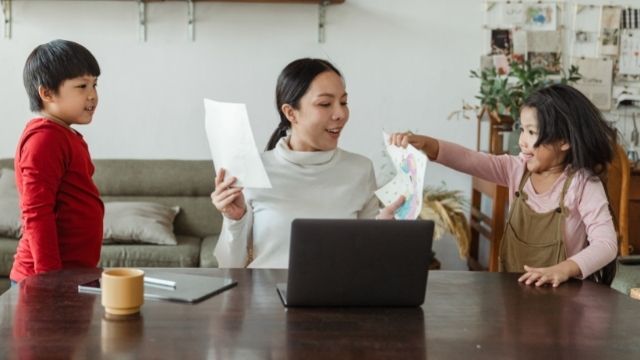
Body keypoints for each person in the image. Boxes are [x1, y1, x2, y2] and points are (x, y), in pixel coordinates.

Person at [391, 84, 618, 287]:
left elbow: (606, 244)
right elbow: (470, 159)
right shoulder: (516, 170)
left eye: (532, 132)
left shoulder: (583, 184)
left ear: (564, 141)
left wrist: (563, 270)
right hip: (514, 294)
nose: (522, 141)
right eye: (522, 130)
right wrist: (428, 144)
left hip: (566, 302)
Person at [212, 58, 403, 268]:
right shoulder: (252, 170)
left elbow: (368, 261)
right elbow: (230, 267)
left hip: (337, 296)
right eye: (325, 104)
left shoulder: (360, 169)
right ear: (290, 112)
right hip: (265, 296)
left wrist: (386, 232)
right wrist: (234, 220)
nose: (340, 114)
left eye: (344, 102)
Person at [9, 40, 104, 284]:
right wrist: (49, 279)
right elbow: (36, 212)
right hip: (46, 279)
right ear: (47, 93)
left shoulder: (63, 135)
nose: (92, 95)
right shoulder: (44, 139)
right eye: (82, 86)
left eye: (94, 84)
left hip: (72, 274)